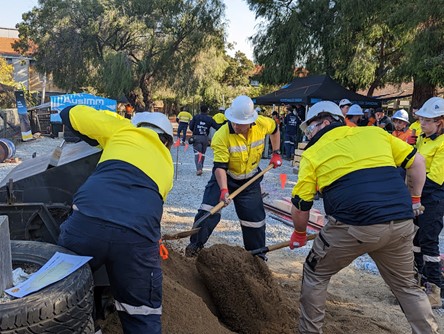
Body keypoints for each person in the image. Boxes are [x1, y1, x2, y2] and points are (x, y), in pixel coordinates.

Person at [288, 100, 438, 334]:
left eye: (310, 128)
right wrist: (415, 199)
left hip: (353, 226)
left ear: (325, 122)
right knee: (407, 286)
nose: (308, 134)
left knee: (315, 273)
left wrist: (299, 233)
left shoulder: (312, 153)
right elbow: (417, 162)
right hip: (400, 223)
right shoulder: (375, 133)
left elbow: (300, 205)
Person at [57, 105, 174, 334]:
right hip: (137, 235)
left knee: (63, 292)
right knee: (142, 312)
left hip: (88, 220)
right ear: (167, 141)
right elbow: (151, 208)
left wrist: (96, 138)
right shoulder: (167, 165)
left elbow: (68, 113)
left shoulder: (122, 129)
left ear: (138, 124)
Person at [185, 95, 282, 257]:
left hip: (250, 180)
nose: (236, 125)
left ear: (250, 121)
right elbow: (220, 167)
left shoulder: (262, 124)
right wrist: (223, 190)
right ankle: (193, 249)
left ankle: (257, 258)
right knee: (208, 211)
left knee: (255, 223)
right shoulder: (222, 136)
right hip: (225, 177)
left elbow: (275, 129)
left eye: (240, 123)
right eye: (234, 121)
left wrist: (276, 152)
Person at [411, 97, 444, 308]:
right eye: (421, 119)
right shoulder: (423, 138)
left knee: (428, 241)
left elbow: (435, 178)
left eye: (427, 120)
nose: (422, 123)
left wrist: (412, 186)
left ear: (440, 121)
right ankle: (417, 281)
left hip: (433, 197)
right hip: (418, 195)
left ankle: (434, 290)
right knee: (414, 239)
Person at [189, 105, 220, 175]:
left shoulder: (196, 117)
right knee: (202, 154)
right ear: (207, 110)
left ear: (200, 109)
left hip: (196, 137)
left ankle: (199, 169)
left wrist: (195, 130)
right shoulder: (209, 119)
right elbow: (216, 126)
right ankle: (201, 167)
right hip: (205, 138)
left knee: (197, 153)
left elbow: (191, 127)